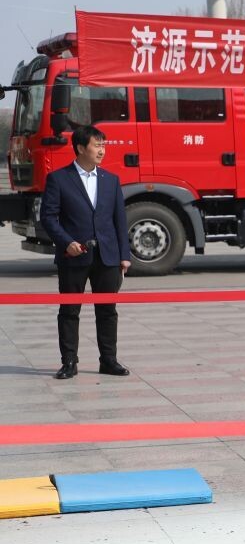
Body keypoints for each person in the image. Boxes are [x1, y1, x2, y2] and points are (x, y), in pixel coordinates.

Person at [40, 124, 132, 380]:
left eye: (103, 145)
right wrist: (66, 242)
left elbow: (119, 221)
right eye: (97, 145)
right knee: (70, 310)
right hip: (74, 255)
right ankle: (69, 362)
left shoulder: (111, 180)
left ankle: (109, 360)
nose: (102, 150)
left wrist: (124, 256)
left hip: (107, 255)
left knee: (108, 310)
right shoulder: (59, 179)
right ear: (81, 148)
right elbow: (48, 217)